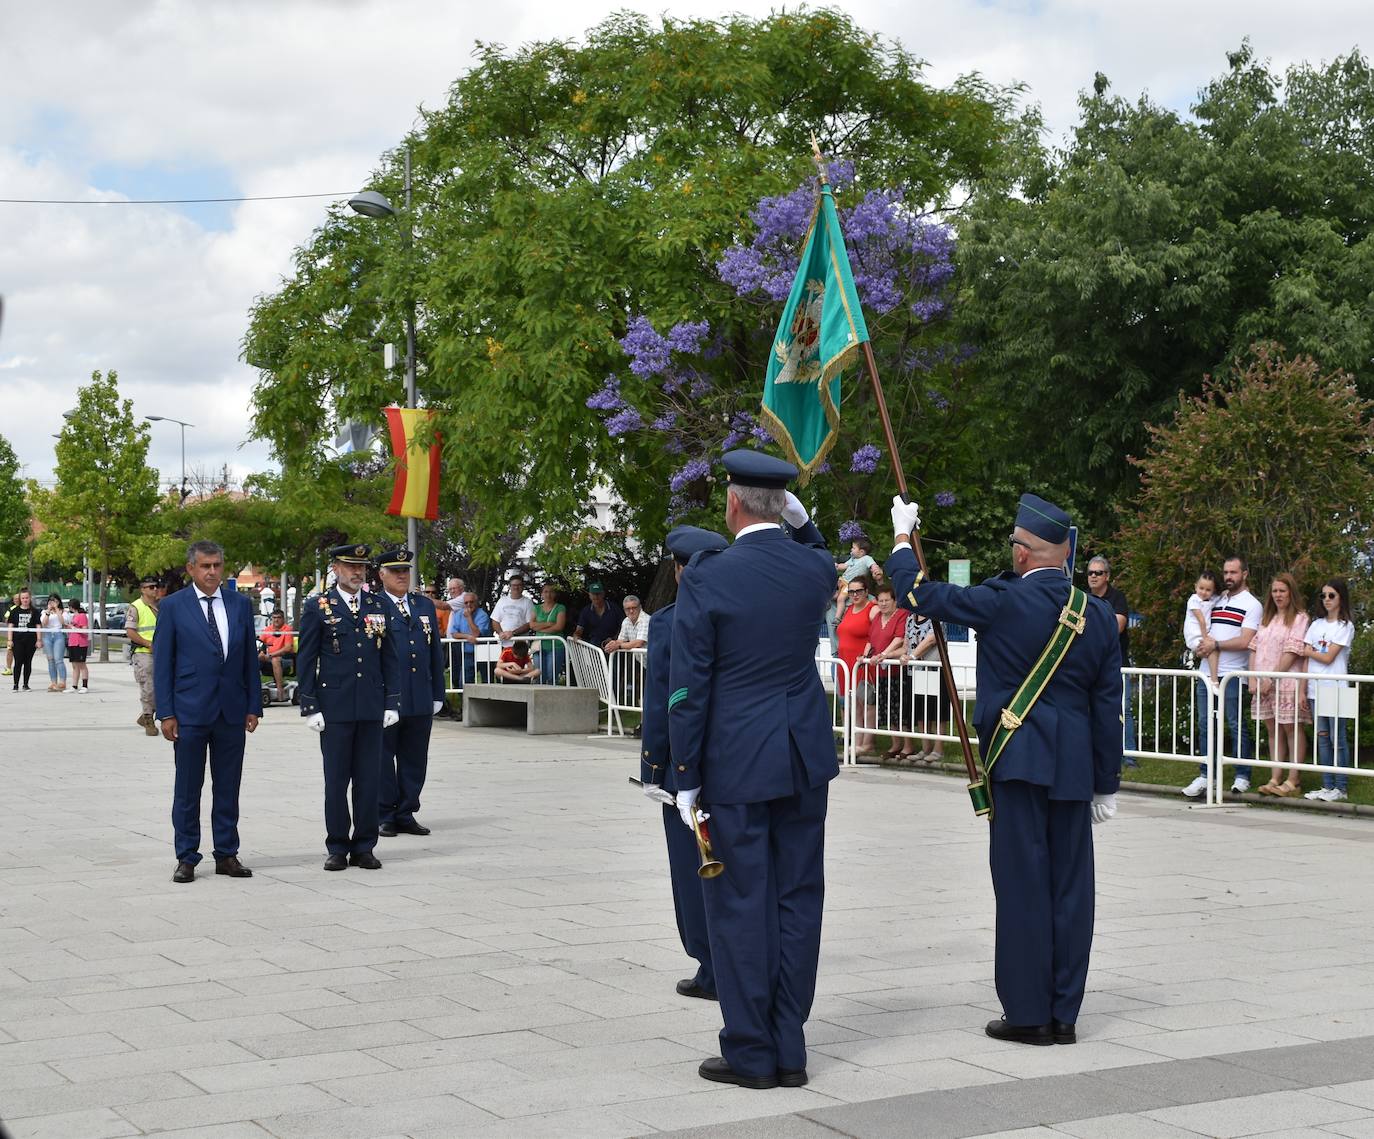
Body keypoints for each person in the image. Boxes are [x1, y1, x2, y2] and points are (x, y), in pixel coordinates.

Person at [887, 492, 1122, 1046]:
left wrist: (903, 538)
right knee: (1071, 890)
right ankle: (1064, 1012)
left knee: (1021, 888)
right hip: (1072, 771)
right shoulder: (1097, 616)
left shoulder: (1001, 601)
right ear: (1066, 555)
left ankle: (1027, 1013)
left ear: (1021, 553)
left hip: (1016, 764)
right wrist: (1105, 783)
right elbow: (1107, 706)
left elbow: (917, 593)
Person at [668, 450, 836, 1090]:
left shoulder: (710, 577)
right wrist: (804, 521)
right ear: (782, 506)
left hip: (735, 762)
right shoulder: (814, 569)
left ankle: (750, 1050)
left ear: (732, 505)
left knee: (739, 905)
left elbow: (689, 685)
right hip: (801, 759)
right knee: (797, 900)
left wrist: (685, 772)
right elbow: (817, 548)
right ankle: (789, 1044)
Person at [641, 525, 728, 1003]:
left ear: (678, 571)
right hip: (739, 761)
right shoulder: (743, 614)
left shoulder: (669, 622)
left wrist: (655, 768)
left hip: (686, 767)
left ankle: (710, 965)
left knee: (693, 863)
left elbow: (663, 703)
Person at [154, 540, 262, 884]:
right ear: (191, 569)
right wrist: (166, 712)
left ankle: (226, 854)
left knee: (228, 787)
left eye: (217, 565)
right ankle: (187, 856)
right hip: (189, 711)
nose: (212, 572)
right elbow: (163, 663)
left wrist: (253, 705)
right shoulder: (173, 606)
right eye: (205, 566)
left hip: (231, 710)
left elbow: (248, 660)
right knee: (188, 788)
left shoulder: (240, 604)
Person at [296, 544, 402, 871]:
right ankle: (338, 846)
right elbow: (306, 658)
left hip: (370, 706)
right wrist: (310, 705)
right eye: (349, 566)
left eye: (361, 567)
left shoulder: (378, 605)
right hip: (335, 707)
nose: (357, 572)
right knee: (336, 781)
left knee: (369, 780)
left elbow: (390, 656)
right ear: (335, 568)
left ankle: (365, 846)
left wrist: (392, 700)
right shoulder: (318, 606)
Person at [375, 547, 445, 837]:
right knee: (381, 756)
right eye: (395, 571)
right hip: (386, 696)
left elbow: (434, 651)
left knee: (415, 757)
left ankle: (406, 811)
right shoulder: (373, 604)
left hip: (419, 694)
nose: (402, 575)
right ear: (382, 574)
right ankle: (385, 813)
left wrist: (438, 692)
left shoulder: (423, 605)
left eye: (405, 570)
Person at [1182, 556, 1262, 797]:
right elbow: (1198, 626)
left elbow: (1245, 640)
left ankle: (1242, 774)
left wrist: (1216, 644)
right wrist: (1200, 646)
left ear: (1244, 574)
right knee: (1206, 725)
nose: (1228, 577)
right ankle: (1206, 774)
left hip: (1233, 674)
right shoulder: (1214, 599)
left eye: (1233, 572)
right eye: (1226, 572)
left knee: (1236, 725)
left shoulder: (1252, 604)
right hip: (1207, 672)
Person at [1250, 574, 1310, 797]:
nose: (1278, 595)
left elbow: (1293, 652)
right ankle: (1275, 777)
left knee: (1291, 729)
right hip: (1263, 683)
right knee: (1273, 730)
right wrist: (1253, 678)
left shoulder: (1300, 618)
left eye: (1282, 591)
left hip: (1286, 681)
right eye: (1274, 591)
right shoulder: (1268, 618)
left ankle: (1293, 780)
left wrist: (1271, 678)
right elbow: (1254, 647)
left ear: (1291, 592)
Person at [1300, 578, 1355, 803]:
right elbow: (1307, 658)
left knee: (1337, 738)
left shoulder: (1345, 626)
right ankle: (1327, 784)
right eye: (1323, 596)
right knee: (1322, 738)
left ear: (1341, 597)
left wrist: (1310, 651)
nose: (1327, 600)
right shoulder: (1316, 624)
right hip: (1315, 689)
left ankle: (1341, 787)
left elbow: (1328, 656)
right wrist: (1303, 688)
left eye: (1331, 595)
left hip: (1336, 688)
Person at [1086, 557, 1136, 767]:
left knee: (1123, 708)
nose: (1093, 577)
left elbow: (1117, 628)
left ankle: (1129, 755)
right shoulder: (1083, 598)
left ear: (1107, 576)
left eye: (1098, 573)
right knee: (1090, 708)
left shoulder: (1117, 597)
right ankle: (1094, 752)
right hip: (1089, 665)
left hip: (1117, 665)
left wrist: (1091, 627)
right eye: (1090, 573)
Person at [858, 582, 911, 760]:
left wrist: (884, 654)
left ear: (894, 601)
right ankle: (895, 744)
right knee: (888, 710)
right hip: (880, 672)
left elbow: (899, 639)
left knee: (901, 709)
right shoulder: (877, 618)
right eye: (880, 600)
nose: (883, 604)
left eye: (886, 600)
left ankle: (908, 746)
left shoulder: (902, 615)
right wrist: (864, 655)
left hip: (897, 670)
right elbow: (870, 640)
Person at [836, 573, 878, 755]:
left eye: (858, 591)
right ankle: (857, 741)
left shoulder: (872, 608)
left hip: (862, 663)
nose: (854, 595)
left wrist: (867, 655)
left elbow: (878, 634)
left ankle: (867, 743)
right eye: (851, 591)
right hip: (845, 664)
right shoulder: (848, 609)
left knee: (866, 704)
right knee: (854, 704)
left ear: (866, 591)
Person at [128, 576, 162, 736]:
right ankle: (149, 719)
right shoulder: (136, 607)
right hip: (144, 653)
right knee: (149, 687)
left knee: (163, 687)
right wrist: (148, 643)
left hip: (162, 653)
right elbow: (130, 632)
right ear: (142, 589)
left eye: (156, 586)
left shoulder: (160, 606)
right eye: (150, 587)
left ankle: (146, 715)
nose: (154, 589)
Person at [530, 582, 567, 685]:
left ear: (555, 594)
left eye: (551, 592)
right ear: (542, 594)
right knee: (539, 675)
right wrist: (549, 624)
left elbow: (559, 627)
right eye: (546, 592)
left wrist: (540, 628)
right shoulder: (536, 608)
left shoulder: (560, 608)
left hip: (555, 646)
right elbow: (532, 625)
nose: (548, 594)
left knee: (551, 676)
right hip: (539, 646)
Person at [5, 588, 40, 692]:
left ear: (30, 598)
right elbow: (10, 626)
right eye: (23, 598)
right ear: (20, 599)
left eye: (27, 598)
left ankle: (26, 684)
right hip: (18, 640)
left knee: (28, 662)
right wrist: (9, 640)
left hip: (30, 640)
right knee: (18, 662)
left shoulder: (34, 611)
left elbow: (38, 626)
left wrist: (39, 639)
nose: (25, 600)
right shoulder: (14, 611)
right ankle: (15, 685)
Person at [257, 610, 295, 702]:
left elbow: (287, 648)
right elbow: (260, 643)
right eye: (274, 618)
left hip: (285, 658)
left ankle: (280, 690)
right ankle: (254, 687)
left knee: (275, 660)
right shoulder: (267, 630)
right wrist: (261, 652)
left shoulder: (287, 629)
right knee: (254, 659)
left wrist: (270, 655)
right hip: (268, 657)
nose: (276, 620)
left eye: (278, 618)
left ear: (283, 619)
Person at [573, 582, 623, 650]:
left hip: (613, 645)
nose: (596, 596)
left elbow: (623, 627)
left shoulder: (614, 608)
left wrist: (614, 639)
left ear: (603, 594)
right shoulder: (586, 611)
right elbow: (579, 629)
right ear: (589, 595)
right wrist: (576, 635)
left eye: (598, 594)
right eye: (593, 594)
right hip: (593, 645)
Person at [490, 573, 535, 647]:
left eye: (519, 585)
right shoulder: (502, 601)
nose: (516, 587)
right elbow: (495, 620)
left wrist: (513, 633)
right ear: (510, 587)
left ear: (523, 586)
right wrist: (500, 633)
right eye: (514, 585)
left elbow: (529, 624)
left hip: (520, 644)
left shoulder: (528, 602)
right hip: (503, 643)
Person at [40, 593, 68, 692]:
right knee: (50, 659)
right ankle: (53, 682)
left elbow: (62, 622)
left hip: (58, 635)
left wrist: (57, 609)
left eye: (55, 601)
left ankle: (62, 681)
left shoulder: (63, 611)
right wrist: (48, 611)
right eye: (51, 601)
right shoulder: (45, 612)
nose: (53, 603)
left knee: (58, 659)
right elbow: (44, 623)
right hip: (47, 636)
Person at [66, 600, 90, 691]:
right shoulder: (73, 616)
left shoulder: (82, 616)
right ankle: (74, 685)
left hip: (80, 643)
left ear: (72, 607)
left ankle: (84, 685)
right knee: (74, 665)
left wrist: (73, 627)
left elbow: (84, 629)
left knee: (81, 664)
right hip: (72, 642)